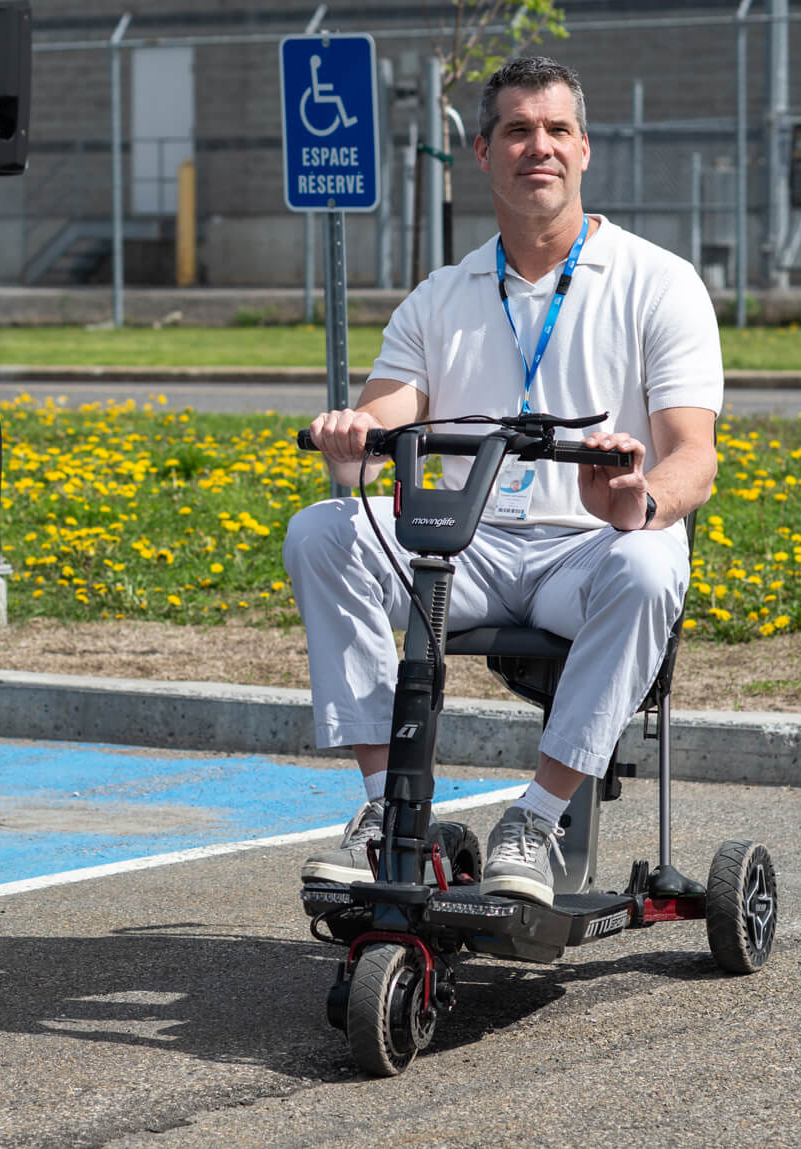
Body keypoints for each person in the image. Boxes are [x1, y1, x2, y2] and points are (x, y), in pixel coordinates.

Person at [282, 55, 722, 905]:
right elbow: (376, 431)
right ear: (481, 153)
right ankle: (388, 812)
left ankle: (538, 815)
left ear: (585, 149)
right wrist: (351, 435)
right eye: (517, 131)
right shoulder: (441, 297)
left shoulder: (658, 283)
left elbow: (692, 458)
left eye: (557, 130)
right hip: (469, 553)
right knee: (320, 531)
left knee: (654, 558)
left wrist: (640, 501)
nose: (539, 148)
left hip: (588, 547)